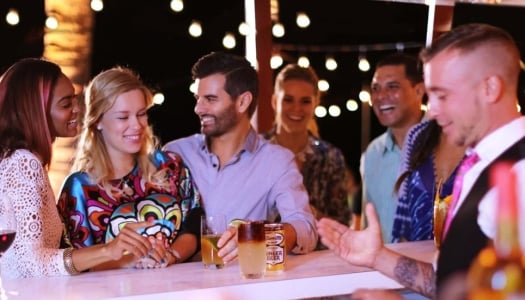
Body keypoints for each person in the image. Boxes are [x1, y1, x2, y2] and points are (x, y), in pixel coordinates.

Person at [317, 23, 525, 299]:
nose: (433, 110)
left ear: (490, 87)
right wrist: (378, 257)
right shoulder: (480, 165)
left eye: (442, 95)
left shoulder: (520, 173)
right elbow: (449, 281)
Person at [0, 58, 164, 279]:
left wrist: (124, 259)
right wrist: (108, 249)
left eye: (75, 100)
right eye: (66, 104)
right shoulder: (23, 163)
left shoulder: (18, 158)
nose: (78, 109)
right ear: (35, 109)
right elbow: (30, 264)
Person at [163, 51, 318, 262]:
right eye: (198, 98)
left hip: (244, 286)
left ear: (243, 102)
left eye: (210, 99)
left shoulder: (276, 161)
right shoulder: (176, 153)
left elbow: (305, 228)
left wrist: (258, 237)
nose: (198, 108)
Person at [57, 66, 203, 270]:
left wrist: (170, 255)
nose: (136, 125)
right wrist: (130, 261)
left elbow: (193, 228)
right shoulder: (80, 188)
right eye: (123, 117)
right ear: (98, 120)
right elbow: (74, 262)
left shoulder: (169, 165)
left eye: (141, 114)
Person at [263, 64, 350, 242]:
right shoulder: (257, 153)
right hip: (267, 258)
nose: (296, 109)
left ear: (316, 103)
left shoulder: (331, 157)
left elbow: (342, 225)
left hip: (319, 260)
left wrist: (306, 211)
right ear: (274, 102)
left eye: (305, 101)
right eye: (288, 100)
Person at [359, 52, 426, 242]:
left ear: (419, 90)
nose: (381, 96)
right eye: (375, 88)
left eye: (392, 87)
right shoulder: (373, 153)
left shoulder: (443, 142)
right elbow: (368, 225)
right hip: (383, 267)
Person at [391, 119, 465, 244]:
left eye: (443, 98)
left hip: (469, 262)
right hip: (414, 261)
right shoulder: (417, 135)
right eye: (431, 98)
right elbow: (404, 222)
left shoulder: (489, 143)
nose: (434, 107)